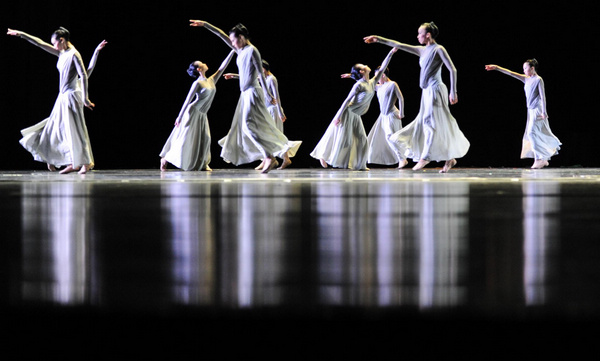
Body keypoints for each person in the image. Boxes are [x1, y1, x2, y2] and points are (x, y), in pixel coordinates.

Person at [189, 20, 301, 173]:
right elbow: (221, 34)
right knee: (248, 127)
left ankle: (270, 157)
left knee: (249, 126)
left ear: (241, 37)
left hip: (253, 92)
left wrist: (268, 94)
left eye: (234, 39)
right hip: (245, 94)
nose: (233, 43)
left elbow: (260, 74)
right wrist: (205, 25)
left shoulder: (252, 50)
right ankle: (270, 156)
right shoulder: (240, 50)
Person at [364, 22, 469, 173]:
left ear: (428, 35)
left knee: (429, 123)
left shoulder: (439, 49)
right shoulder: (421, 50)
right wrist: (379, 39)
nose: (417, 36)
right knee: (434, 123)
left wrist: (454, 91)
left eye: (420, 33)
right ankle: (449, 158)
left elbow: (452, 68)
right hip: (426, 93)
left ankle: (425, 157)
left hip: (436, 90)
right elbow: (399, 44)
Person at [7, 27, 100, 174]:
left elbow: (84, 75)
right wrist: (21, 34)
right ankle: (60, 160)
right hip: (62, 96)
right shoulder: (61, 53)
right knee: (55, 128)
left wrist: (85, 98)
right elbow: (39, 43)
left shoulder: (74, 54)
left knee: (76, 130)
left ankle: (85, 162)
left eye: (55, 43)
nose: (53, 46)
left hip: (72, 96)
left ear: (62, 40)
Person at [310, 47, 398, 170]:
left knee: (362, 140)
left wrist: (391, 53)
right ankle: (324, 155)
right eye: (363, 66)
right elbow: (346, 101)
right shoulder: (358, 85)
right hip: (348, 113)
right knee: (344, 140)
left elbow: (383, 67)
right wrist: (338, 116)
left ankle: (361, 165)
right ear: (362, 72)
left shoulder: (372, 82)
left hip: (356, 115)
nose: (366, 65)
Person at [160, 50, 235, 171]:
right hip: (193, 112)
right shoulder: (197, 83)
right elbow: (187, 100)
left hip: (203, 114)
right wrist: (179, 117)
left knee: (206, 138)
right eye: (201, 64)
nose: (204, 63)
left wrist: (233, 51)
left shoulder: (211, 80)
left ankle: (203, 163)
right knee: (185, 138)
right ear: (199, 69)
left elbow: (222, 67)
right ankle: (166, 158)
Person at [485, 60, 561, 168]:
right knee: (532, 134)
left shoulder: (539, 80)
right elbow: (511, 73)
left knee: (531, 133)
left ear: (532, 68)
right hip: (530, 110)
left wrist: (544, 112)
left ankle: (540, 159)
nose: (524, 70)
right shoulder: (526, 78)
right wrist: (496, 67)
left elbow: (543, 97)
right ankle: (541, 159)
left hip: (537, 109)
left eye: (525, 68)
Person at [224, 59, 296, 169]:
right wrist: (233, 75)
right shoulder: (263, 78)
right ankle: (267, 159)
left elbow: (276, 96)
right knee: (265, 134)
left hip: (274, 110)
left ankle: (285, 159)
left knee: (275, 134)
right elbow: (247, 78)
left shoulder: (272, 79)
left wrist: (281, 113)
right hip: (266, 110)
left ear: (264, 69)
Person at [366, 66, 407, 168]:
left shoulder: (392, 84)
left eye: (377, 76)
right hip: (383, 116)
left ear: (383, 75)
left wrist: (402, 113)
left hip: (392, 114)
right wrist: (352, 76)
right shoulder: (379, 86)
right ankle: (400, 158)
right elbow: (365, 84)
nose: (376, 79)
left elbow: (401, 98)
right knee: (377, 137)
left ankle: (402, 159)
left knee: (390, 137)